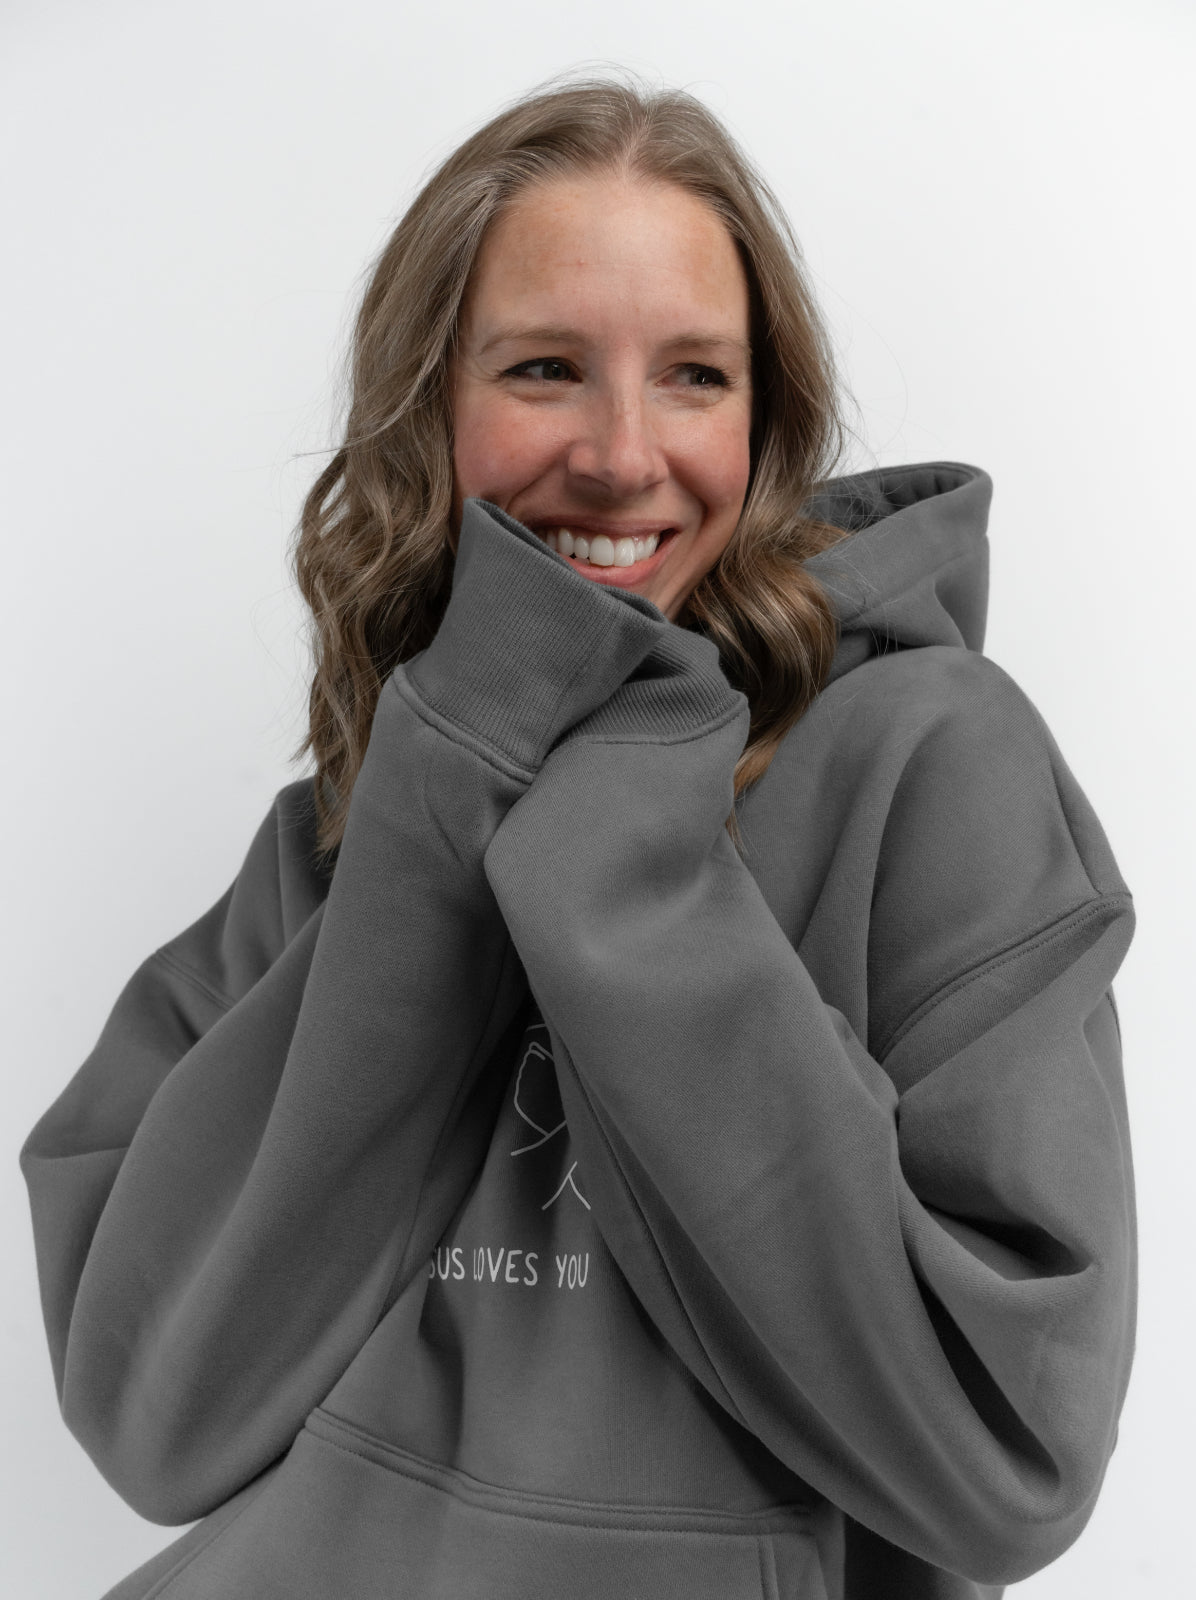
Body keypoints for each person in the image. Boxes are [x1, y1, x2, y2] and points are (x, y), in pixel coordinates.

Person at [19, 71, 1137, 1600]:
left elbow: (1009, 1460)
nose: (621, 453)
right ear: (434, 407)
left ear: (766, 421)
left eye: (694, 377)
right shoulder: (349, 831)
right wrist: (450, 796)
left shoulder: (931, 762)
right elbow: (155, 1421)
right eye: (546, 368)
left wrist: (625, 854)